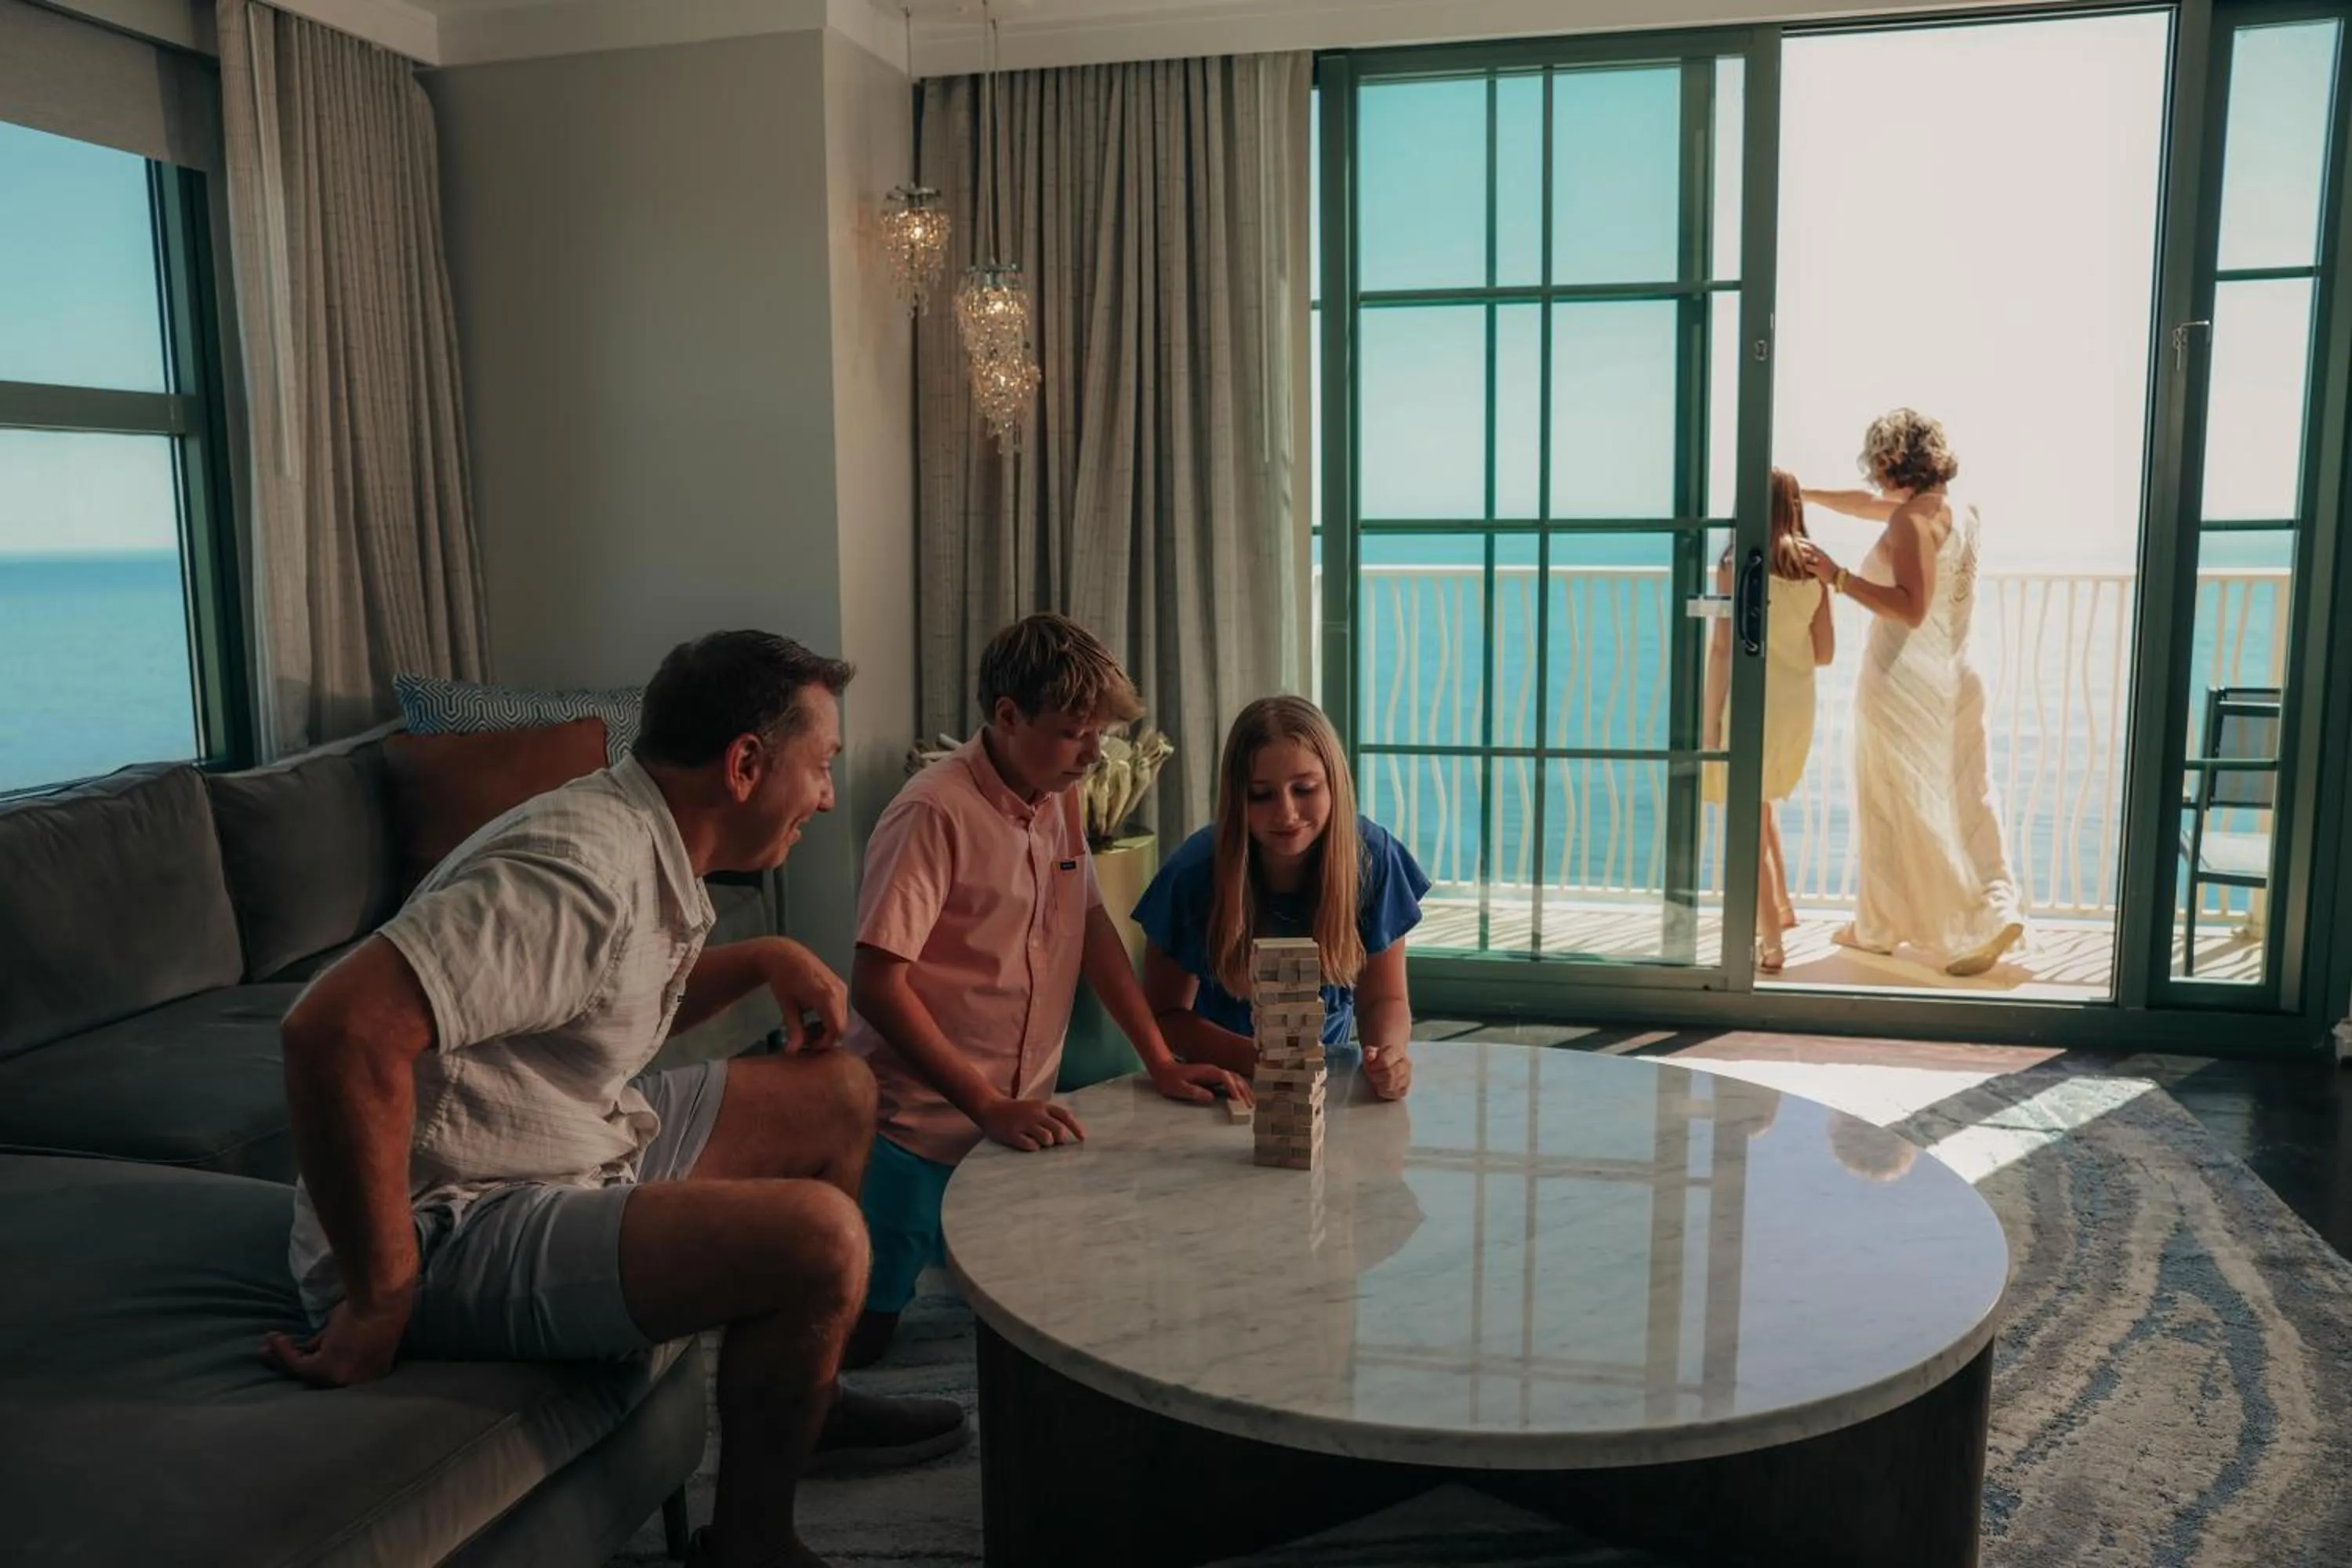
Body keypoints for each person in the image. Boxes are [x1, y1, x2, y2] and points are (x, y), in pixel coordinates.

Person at [267, 630, 966, 1568]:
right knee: (820, 1238)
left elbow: (606, 996)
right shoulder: (580, 868)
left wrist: (762, 957)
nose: (829, 795)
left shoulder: (647, 836)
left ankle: (810, 1399)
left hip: (567, 1148)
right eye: (822, 765)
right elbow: (336, 1029)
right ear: (745, 764)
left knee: (839, 1089)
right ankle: (751, 1547)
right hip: (448, 1219)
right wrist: (379, 1291)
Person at [841, 613, 1247, 1369]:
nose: (1094, 755)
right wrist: (985, 1104)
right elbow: (875, 984)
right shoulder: (931, 812)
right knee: (864, 1340)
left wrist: (1159, 1060)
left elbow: (1089, 924)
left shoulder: (1057, 795)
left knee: (1025, 1315)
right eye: (1073, 734)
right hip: (913, 1124)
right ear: (1007, 716)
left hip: (1017, 1114)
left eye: (1100, 735)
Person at [1798, 408, 2026, 978]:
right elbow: (1866, 505)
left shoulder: (1908, 524)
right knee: (1970, 799)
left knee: (1891, 805)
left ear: (1894, 460)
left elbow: (1910, 607)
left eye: (1878, 462)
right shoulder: (1958, 512)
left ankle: (1882, 929)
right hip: (1960, 675)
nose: (1874, 475)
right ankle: (1997, 908)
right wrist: (1806, 494)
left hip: (1904, 683)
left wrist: (1836, 576)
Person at [1131, 695, 1429, 1099]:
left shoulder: (1373, 858)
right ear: (1237, 799)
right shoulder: (1193, 874)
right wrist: (1258, 1059)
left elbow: (1384, 997)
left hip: (1326, 1078)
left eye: (1304, 789)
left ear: (1335, 784)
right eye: (1261, 795)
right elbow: (1163, 1015)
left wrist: (1388, 1055)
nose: (1286, 813)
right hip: (1218, 1081)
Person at [1704, 468, 1836, 973]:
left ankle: (1771, 944)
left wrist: (1710, 721)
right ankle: (1781, 906)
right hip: (1795, 706)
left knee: (1746, 824)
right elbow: (1824, 653)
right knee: (1759, 803)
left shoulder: (1736, 563)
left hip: (1751, 704)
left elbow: (1722, 650)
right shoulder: (1814, 565)